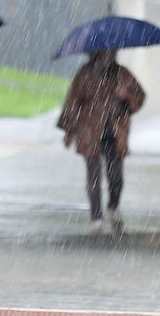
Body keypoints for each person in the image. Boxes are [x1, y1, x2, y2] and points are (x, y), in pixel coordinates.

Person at [57, 49, 145, 235]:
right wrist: (69, 130)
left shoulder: (122, 74)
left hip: (115, 132)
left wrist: (126, 96)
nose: (107, 55)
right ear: (95, 53)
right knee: (94, 176)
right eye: (104, 52)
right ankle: (96, 218)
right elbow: (73, 101)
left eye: (111, 51)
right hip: (89, 131)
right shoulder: (85, 74)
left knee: (116, 177)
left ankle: (113, 207)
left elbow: (139, 97)